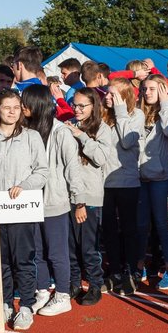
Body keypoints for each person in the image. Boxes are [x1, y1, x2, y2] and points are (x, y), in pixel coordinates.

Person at [0, 89, 49, 328]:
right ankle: (3, 304)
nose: (12, 112)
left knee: (23, 259)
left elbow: (42, 171)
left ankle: (25, 306)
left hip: (21, 208)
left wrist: (24, 186)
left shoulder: (31, 137)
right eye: (7, 107)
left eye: (16, 107)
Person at [24, 85, 82, 318]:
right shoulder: (26, 130)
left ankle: (63, 295)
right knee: (36, 250)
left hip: (55, 201)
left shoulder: (60, 132)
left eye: (26, 104)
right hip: (30, 201)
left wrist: (79, 201)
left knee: (57, 252)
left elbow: (72, 168)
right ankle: (42, 291)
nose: (22, 108)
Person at [135, 74, 168, 290]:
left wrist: (164, 103)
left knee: (165, 225)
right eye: (145, 89)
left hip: (164, 177)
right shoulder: (137, 113)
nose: (147, 93)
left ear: (164, 90)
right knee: (141, 225)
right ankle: (140, 265)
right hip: (140, 177)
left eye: (153, 89)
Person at [99, 79, 144, 294]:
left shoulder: (136, 116)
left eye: (112, 94)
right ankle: (114, 270)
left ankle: (131, 270)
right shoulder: (102, 116)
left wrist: (120, 111)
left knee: (129, 228)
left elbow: (127, 141)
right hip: (104, 183)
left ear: (124, 97)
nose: (107, 97)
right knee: (108, 229)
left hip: (127, 181)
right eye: (107, 94)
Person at [65, 88, 108, 305]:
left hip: (90, 196)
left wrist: (81, 136)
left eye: (83, 105)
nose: (77, 109)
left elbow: (101, 158)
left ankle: (94, 284)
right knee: (70, 244)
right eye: (75, 104)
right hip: (68, 195)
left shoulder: (102, 128)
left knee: (88, 246)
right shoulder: (67, 125)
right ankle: (74, 282)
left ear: (94, 106)